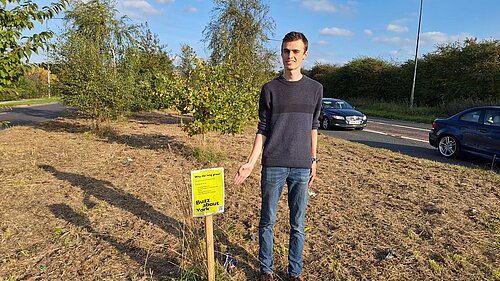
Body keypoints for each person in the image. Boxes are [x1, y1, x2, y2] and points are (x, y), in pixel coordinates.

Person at [233, 31, 323, 281]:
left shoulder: (316, 89)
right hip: (273, 164)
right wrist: (250, 163)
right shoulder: (270, 89)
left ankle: (295, 273)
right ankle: (266, 269)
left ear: (305, 55)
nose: (290, 56)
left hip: (301, 166)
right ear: (281, 53)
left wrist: (313, 160)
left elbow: (313, 127)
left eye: (295, 51)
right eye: (286, 51)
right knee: (267, 221)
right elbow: (263, 128)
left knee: (298, 224)